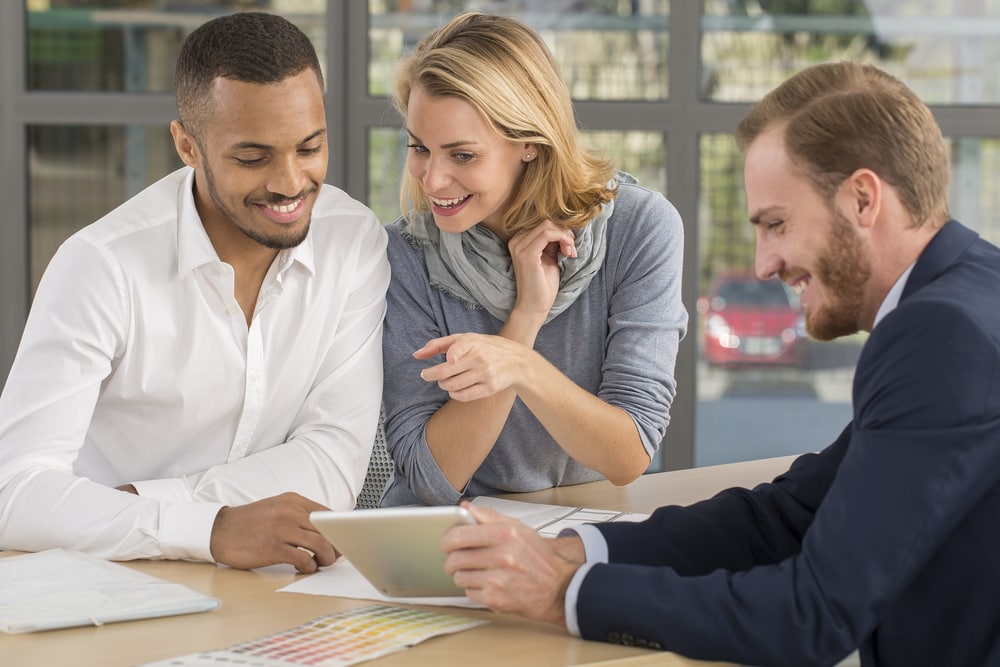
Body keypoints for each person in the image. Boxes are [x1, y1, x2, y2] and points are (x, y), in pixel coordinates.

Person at [441, 61, 1000, 666]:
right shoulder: (967, 295)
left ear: (863, 199)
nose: (763, 264)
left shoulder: (941, 335)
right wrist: (577, 552)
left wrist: (561, 593)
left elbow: (812, 615)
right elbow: (790, 514)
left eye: (776, 224)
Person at [0, 12, 390, 574]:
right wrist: (209, 529)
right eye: (253, 158)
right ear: (187, 145)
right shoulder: (101, 267)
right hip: (102, 578)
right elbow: (15, 493)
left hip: (259, 582)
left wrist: (150, 506)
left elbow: (333, 466)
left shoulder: (352, 241)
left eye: (309, 148)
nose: (288, 183)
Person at [379, 12, 687, 507]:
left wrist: (520, 367)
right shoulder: (405, 254)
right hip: (445, 532)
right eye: (419, 148)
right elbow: (430, 479)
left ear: (528, 143)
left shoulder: (642, 229)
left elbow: (629, 455)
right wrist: (523, 320)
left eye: (461, 156)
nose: (431, 180)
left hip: (586, 523)